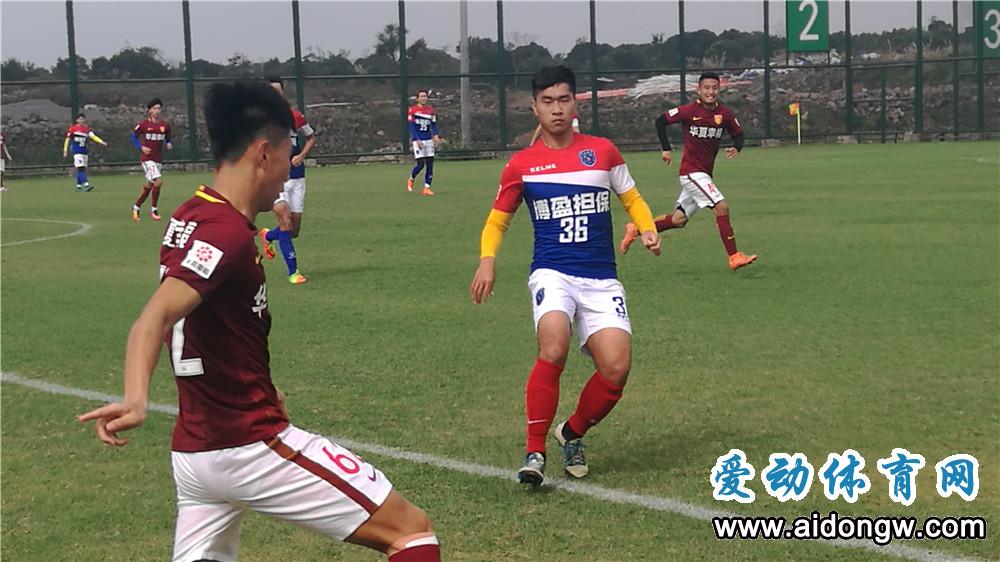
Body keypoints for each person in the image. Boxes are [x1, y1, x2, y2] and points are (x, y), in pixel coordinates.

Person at [78, 81, 440, 562]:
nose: (292, 168)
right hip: (245, 443)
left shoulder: (191, 214)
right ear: (264, 154)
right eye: (290, 154)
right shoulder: (224, 233)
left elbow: (211, 322)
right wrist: (136, 398)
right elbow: (155, 315)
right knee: (412, 533)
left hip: (196, 452)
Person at [470, 66, 661, 487]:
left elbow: (632, 197)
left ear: (576, 103)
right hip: (552, 272)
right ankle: (534, 451)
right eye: (548, 101)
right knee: (553, 345)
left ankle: (571, 433)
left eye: (564, 100)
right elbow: (497, 222)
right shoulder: (522, 165)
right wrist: (487, 259)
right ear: (534, 107)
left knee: (616, 369)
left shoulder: (603, 152)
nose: (557, 109)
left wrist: (646, 227)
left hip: (600, 279)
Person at [619, 72, 757, 270]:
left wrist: (737, 147)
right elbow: (661, 121)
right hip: (691, 172)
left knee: (678, 220)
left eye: (714, 88)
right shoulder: (689, 111)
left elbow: (739, 134)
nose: (711, 92)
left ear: (719, 89)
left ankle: (637, 228)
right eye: (706, 88)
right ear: (699, 90)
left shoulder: (725, 114)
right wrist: (666, 148)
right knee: (721, 207)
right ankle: (734, 256)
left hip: (703, 174)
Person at [258, 76, 315, 285]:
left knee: (293, 230)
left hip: (297, 177)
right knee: (285, 219)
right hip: (275, 179)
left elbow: (310, 138)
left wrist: (301, 156)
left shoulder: (295, 116)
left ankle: (268, 236)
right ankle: (293, 272)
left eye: (278, 91)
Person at [131, 98, 173, 222]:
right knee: (158, 182)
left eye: (159, 108)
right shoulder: (144, 125)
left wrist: (169, 142)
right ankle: (154, 210)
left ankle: (136, 207)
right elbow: (133, 137)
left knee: (150, 185)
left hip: (158, 159)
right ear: (149, 110)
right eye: (154, 108)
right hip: (147, 159)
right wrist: (141, 147)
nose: (157, 111)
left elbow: (168, 135)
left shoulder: (164, 125)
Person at [406, 89, 440, 196]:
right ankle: (411, 178)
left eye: (425, 96)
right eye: (421, 96)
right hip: (419, 140)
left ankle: (427, 187)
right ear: (417, 98)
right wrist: (417, 139)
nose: (424, 98)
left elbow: (434, 124)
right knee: (421, 164)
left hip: (428, 139)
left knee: (430, 164)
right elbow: (411, 127)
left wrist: (435, 135)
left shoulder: (431, 110)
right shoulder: (413, 110)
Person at [63, 113, 108, 192]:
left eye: (83, 119)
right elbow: (67, 140)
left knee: (82, 170)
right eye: (80, 119)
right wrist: (65, 150)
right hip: (77, 152)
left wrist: (101, 142)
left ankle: (79, 187)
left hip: (84, 152)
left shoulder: (87, 129)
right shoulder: (73, 129)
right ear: (77, 120)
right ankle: (87, 184)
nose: (82, 120)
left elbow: (93, 137)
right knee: (80, 168)